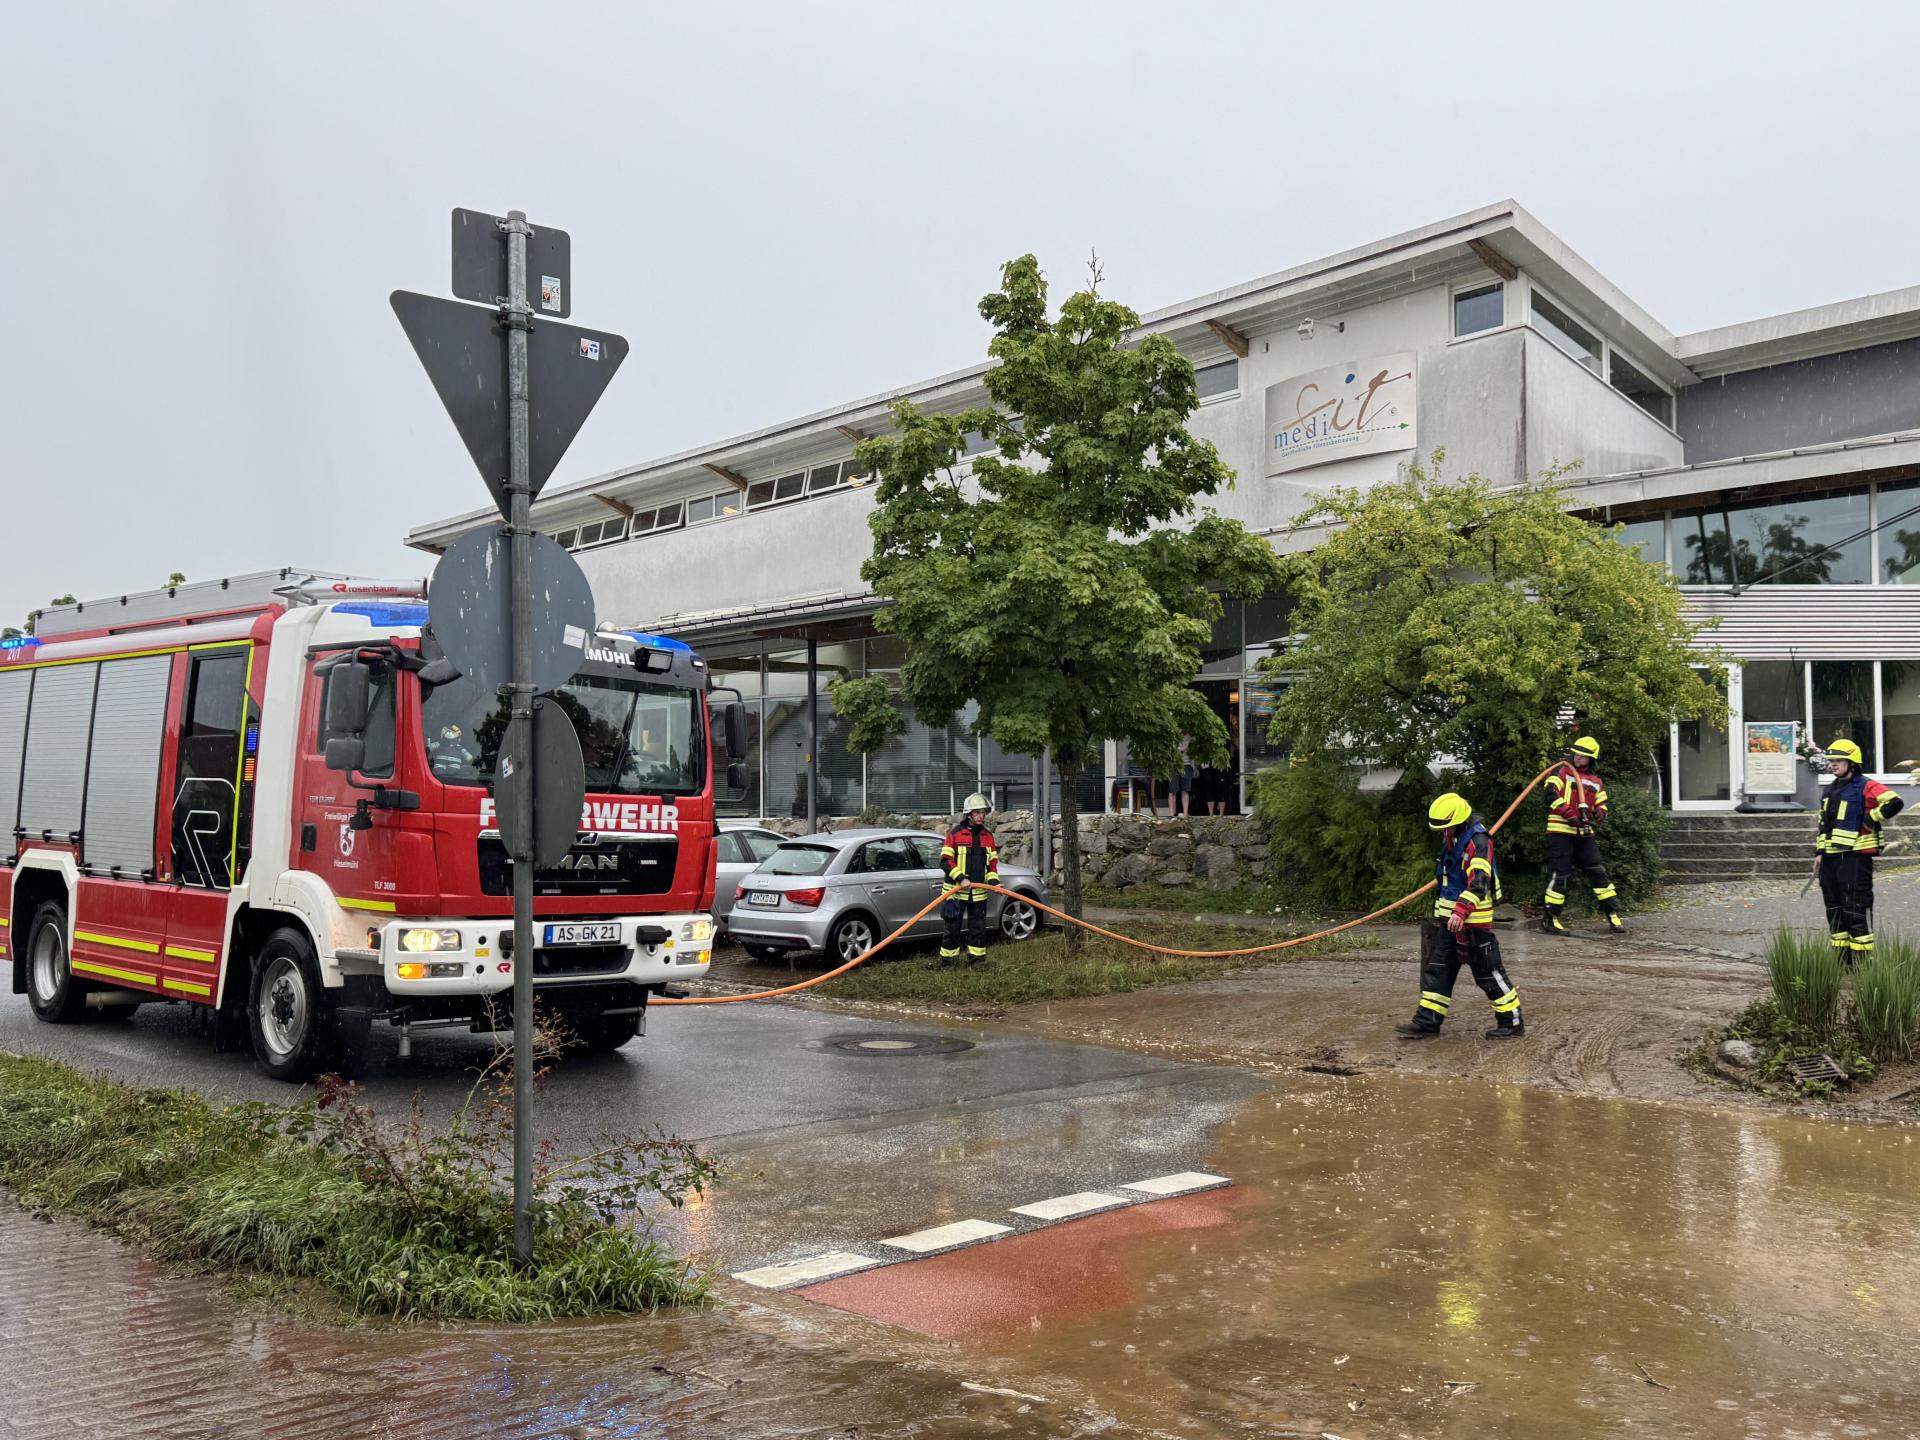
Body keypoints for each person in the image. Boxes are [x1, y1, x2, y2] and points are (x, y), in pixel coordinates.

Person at [1398, 792, 1523, 1040]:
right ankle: (1427, 1022)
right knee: (1439, 971)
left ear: (1459, 820)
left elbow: (1478, 882)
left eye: (1446, 826)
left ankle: (1512, 1022)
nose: (1443, 831)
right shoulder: (1454, 838)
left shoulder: (1478, 841)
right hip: (1450, 922)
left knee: (1488, 974)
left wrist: (1461, 911)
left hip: (1473, 922)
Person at [1815, 738, 1903, 963]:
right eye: (1831, 760)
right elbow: (1824, 824)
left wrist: (1871, 817)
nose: (1833, 764)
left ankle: (1861, 965)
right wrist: (1819, 853)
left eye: (1838, 760)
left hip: (1855, 859)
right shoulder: (1830, 790)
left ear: (1852, 762)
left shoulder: (1866, 785)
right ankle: (1842, 962)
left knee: (1855, 909)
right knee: (1834, 910)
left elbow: (1895, 802)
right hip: (1830, 859)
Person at [1542, 735, 1624, 936]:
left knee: (1598, 871)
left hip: (1584, 833)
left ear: (1591, 760)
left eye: (1584, 756)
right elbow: (1550, 795)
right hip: (1561, 832)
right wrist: (1569, 815)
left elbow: (1601, 803)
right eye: (1577, 754)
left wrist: (1601, 812)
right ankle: (1550, 919)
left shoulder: (1595, 781)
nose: (1579, 758)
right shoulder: (1561, 772)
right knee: (1559, 875)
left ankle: (1612, 914)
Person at [939, 792, 1000, 966]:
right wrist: (960, 879)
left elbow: (992, 865)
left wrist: (994, 882)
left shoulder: (988, 837)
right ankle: (948, 963)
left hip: (978, 894)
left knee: (978, 930)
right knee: (952, 930)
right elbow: (945, 861)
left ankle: (977, 962)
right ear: (969, 813)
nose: (981, 816)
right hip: (955, 894)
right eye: (977, 812)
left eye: (983, 812)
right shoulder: (955, 834)